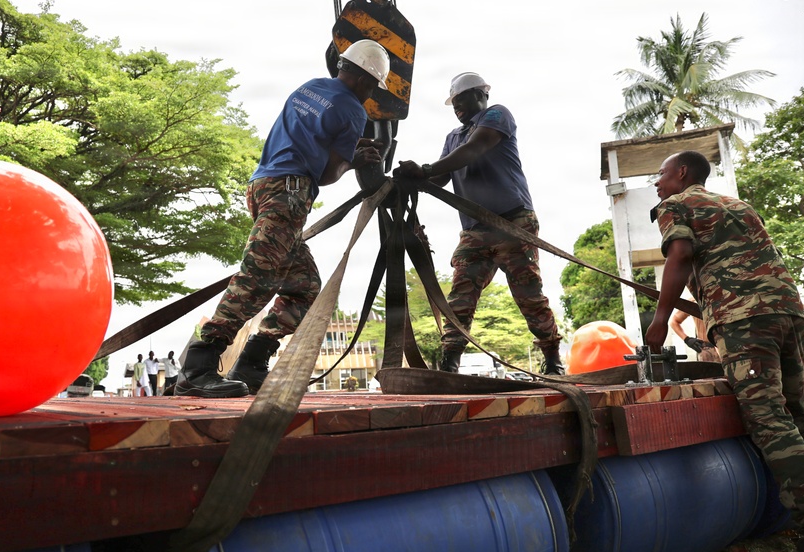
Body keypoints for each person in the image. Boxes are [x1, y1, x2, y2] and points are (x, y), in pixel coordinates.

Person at [174, 39, 390, 398]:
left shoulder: (309, 88)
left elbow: (309, 139)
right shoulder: (353, 110)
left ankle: (253, 362)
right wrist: (356, 158)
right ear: (369, 80)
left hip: (263, 184)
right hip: (290, 192)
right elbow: (328, 173)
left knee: (304, 286)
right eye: (372, 87)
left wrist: (345, 152)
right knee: (258, 274)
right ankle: (199, 364)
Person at [644, 150, 804, 552]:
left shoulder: (676, 205)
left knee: (771, 423)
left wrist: (660, 319)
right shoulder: (738, 206)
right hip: (790, 315)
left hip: (744, 321)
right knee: (799, 418)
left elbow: (679, 253)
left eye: (660, 174)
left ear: (681, 173)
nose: (657, 184)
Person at [393, 72, 565, 376]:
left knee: (529, 295)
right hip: (475, 231)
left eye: (461, 100)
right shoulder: (453, 137)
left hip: (512, 223)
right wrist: (411, 181)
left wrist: (425, 169)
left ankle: (552, 357)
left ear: (479, 95)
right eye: (453, 103)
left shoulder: (497, 115)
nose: (457, 107)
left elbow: (473, 150)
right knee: (460, 295)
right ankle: (450, 361)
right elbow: (440, 178)